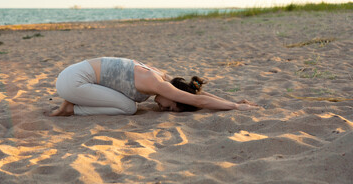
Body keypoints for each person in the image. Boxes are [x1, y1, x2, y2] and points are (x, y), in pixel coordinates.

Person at [50, 57, 259, 116]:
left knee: (129, 104)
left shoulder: (160, 76)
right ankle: (72, 108)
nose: (163, 108)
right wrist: (237, 107)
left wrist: (228, 100)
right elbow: (197, 100)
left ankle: (73, 102)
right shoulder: (158, 84)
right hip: (73, 82)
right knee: (129, 108)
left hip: (72, 76)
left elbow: (195, 93)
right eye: (170, 107)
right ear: (174, 94)